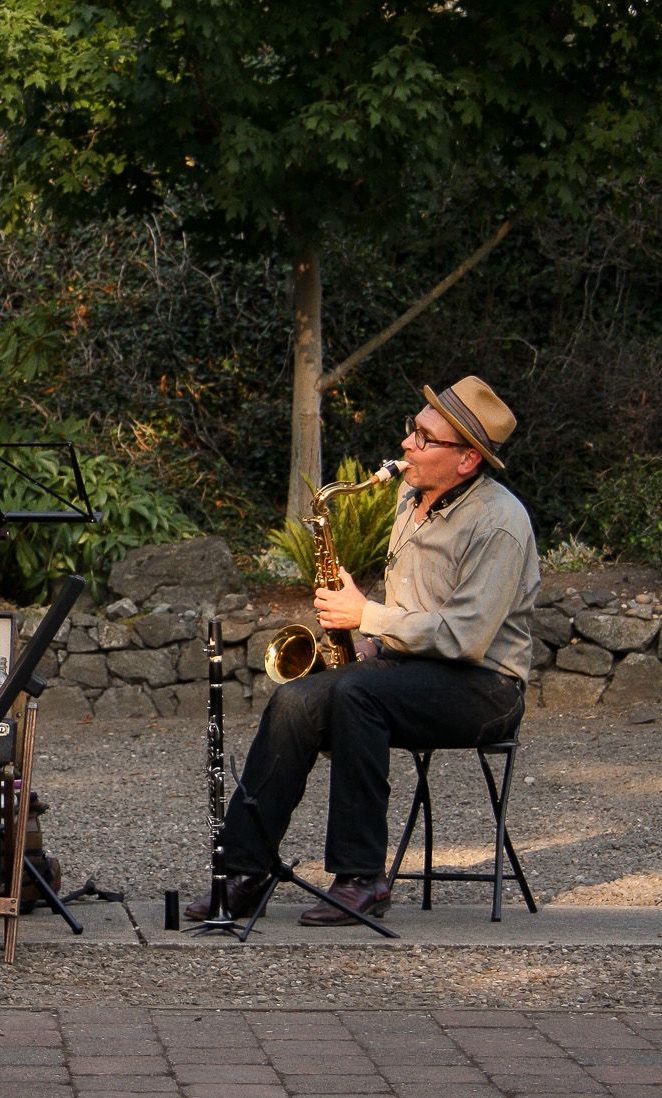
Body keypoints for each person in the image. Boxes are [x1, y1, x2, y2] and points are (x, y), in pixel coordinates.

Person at [188, 375, 539, 926]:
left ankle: (361, 878)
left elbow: (466, 637)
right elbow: (416, 612)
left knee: (357, 694)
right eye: (412, 430)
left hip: (485, 687)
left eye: (424, 437)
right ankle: (243, 874)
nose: (406, 444)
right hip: (406, 672)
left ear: (467, 459)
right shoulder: (409, 496)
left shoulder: (500, 522)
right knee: (296, 700)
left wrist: (366, 615)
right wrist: (367, 638)